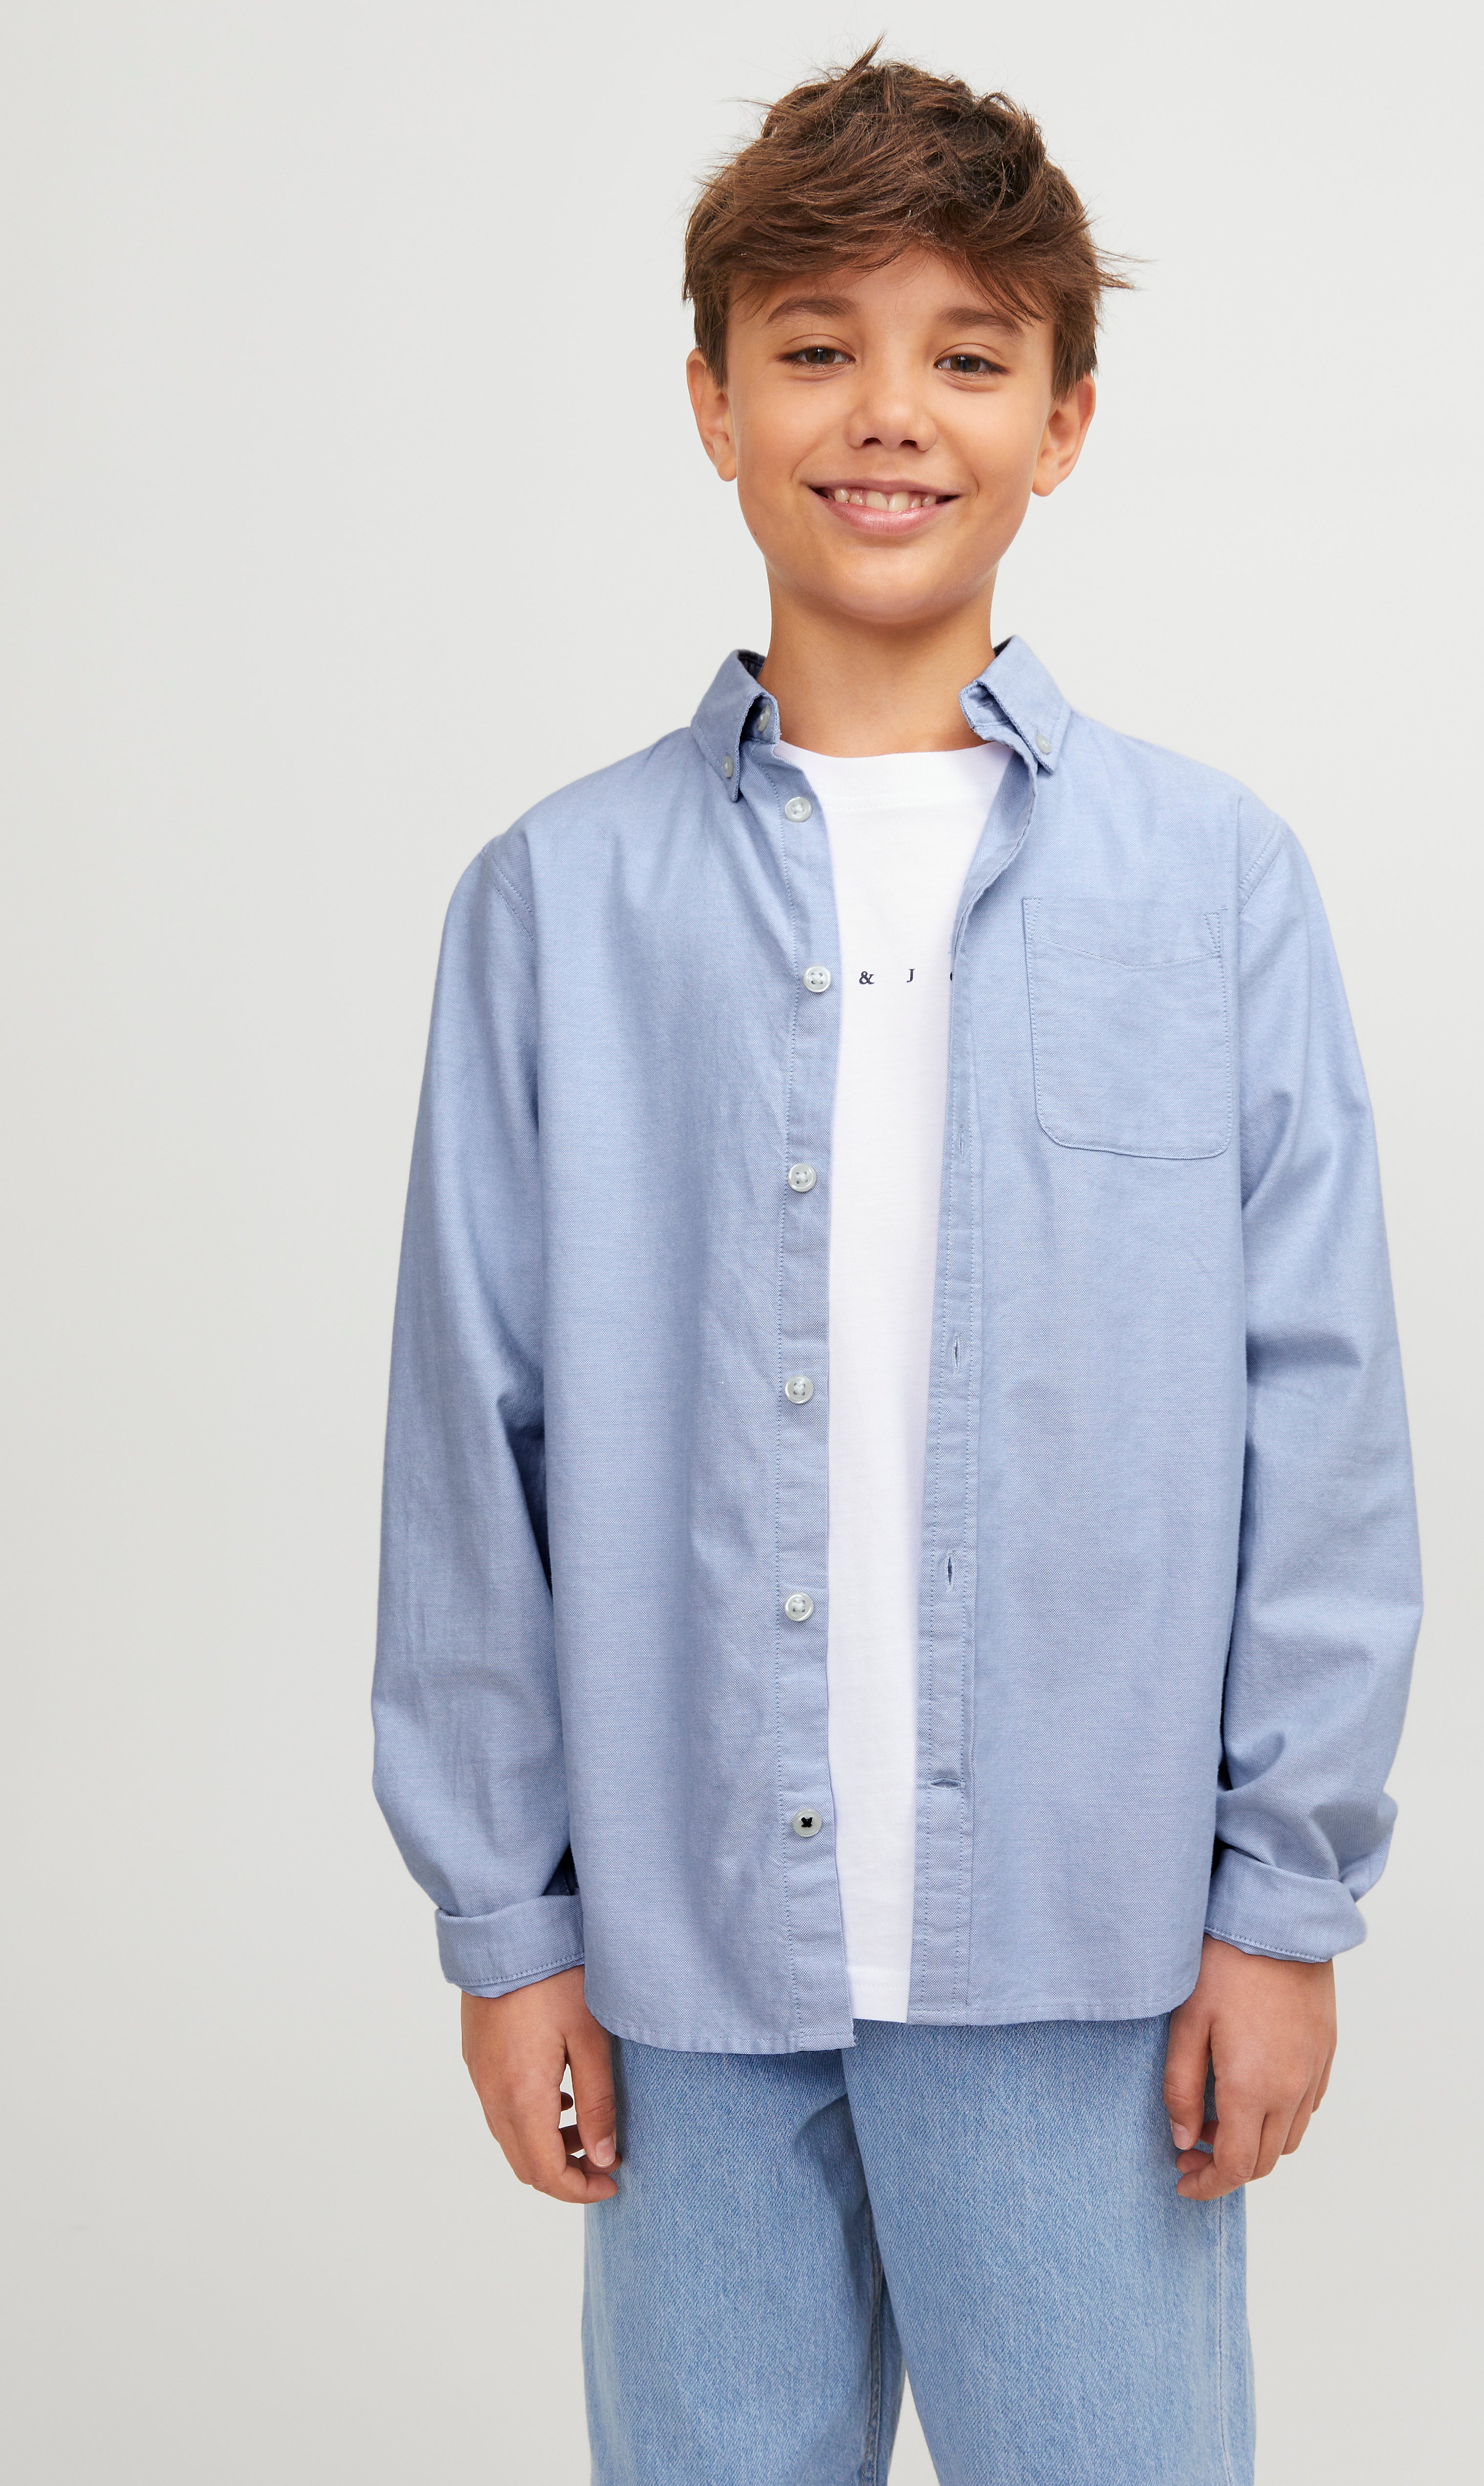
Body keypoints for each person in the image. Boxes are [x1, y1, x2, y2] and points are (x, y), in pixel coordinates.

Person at [372, 45, 1421, 2485]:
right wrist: (510, 1930)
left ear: (1065, 421)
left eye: (968, 354)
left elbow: (1324, 1421)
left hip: (1087, 1957)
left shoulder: (1212, 885)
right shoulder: (554, 906)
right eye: (817, 345)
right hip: (684, 1969)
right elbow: (468, 1445)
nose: (889, 414)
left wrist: (1284, 1906)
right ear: (714, 403)